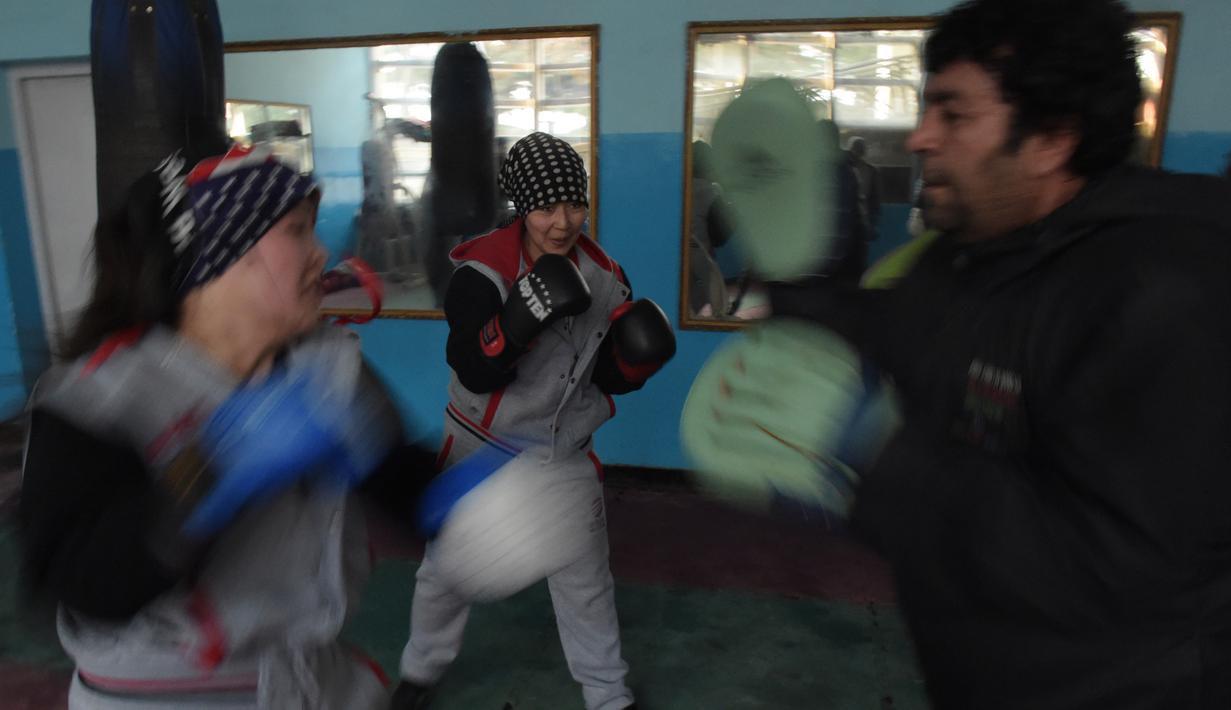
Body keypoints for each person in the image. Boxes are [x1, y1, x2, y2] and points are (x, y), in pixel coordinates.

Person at [684, 0, 1231, 708]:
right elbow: (910, 331)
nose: (918, 138)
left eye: (952, 114)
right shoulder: (973, 255)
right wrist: (794, 284)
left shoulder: (1164, 293)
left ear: (1050, 138)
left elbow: (1117, 572)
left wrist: (876, 451)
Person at [18, 144, 437, 709]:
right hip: (155, 696)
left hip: (311, 679)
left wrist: (475, 510)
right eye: (297, 231)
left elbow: (406, 488)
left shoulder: (328, 365)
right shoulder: (98, 396)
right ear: (222, 254)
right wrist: (215, 466)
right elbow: (82, 584)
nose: (320, 253)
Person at [392, 132, 675, 710]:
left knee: (586, 582)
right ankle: (420, 671)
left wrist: (633, 364)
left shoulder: (606, 277)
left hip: (562, 450)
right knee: (445, 574)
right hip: (481, 445)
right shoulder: (482, 274)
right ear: (523, 207)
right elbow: (474, 371)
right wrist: (517, 322)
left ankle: (608, 696)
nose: (563, 221)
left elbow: (602, 376)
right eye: (547, 208)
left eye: (575, 205)